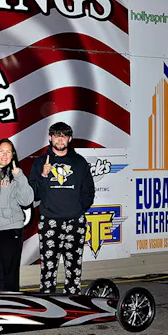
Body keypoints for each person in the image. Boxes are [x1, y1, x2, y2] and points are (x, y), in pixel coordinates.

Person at [28, 122, 95, 295]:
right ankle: (47, 300)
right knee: (48, 267)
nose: (60, 139)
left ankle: (72, 300)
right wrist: (44, 175)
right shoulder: (40, 162)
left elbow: (89, 191)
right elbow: (33, 194)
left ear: (69, 139)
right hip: (49, 221)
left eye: (64, 136)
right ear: (50, 138)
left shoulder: (79, 162)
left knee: (74, 267)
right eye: (56, 136)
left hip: (75, 221)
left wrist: (77, 209)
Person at [0, 139, 34, 291]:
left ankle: (12, 302)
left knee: (10, 275)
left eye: (8, 152)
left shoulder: (16, 174)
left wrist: (19, 177)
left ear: (13, 155)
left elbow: (27, 200)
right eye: (2, 151)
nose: (5, 155)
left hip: (11, 229)